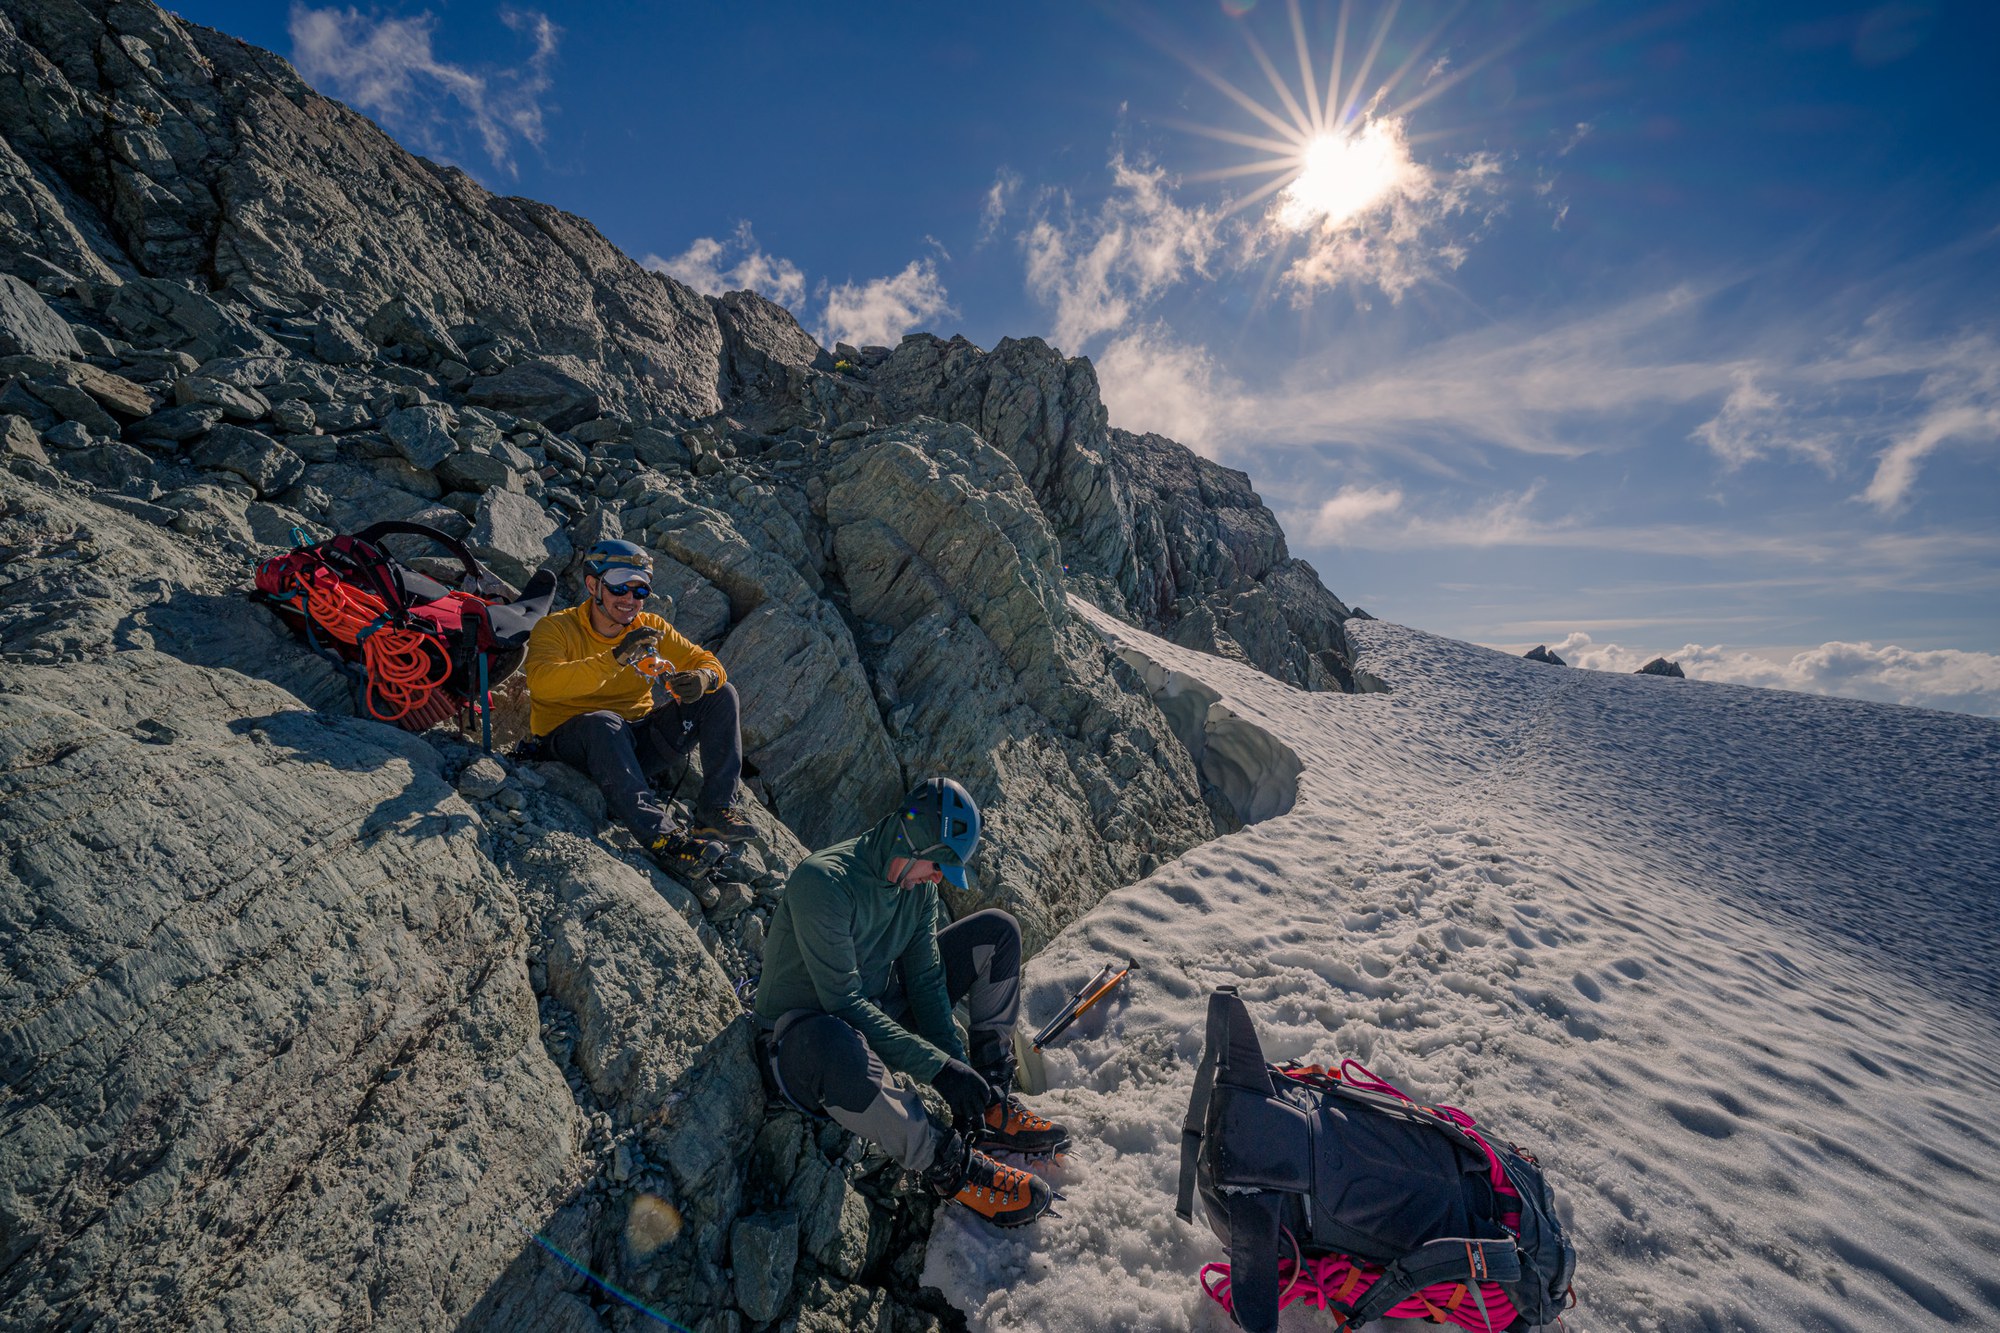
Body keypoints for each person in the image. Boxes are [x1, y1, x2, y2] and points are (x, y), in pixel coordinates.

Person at [754, 778, 1068, 1227]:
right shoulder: (823, 882)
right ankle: (953, 1168)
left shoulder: (917, 889)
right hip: (803, 1041)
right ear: (909, 840)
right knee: (835, 1041)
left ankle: (990, 1101)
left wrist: (960, 1072)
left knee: (997, 932)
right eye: (937, 864)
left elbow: (925, 982)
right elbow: (842, 1002)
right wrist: (937, 1068)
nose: (939, 878)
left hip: (875, 1010)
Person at [524, 539, 756, 851]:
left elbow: (709, 663)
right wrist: (614, 659)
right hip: (570, 745)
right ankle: (663, 838)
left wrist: (704, 677)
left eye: (641, 590)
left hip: (632, 746)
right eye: (620, 587)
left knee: (720, 694)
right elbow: (543, 684)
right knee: (604, 723)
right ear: (593, 585)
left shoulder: (651, 628)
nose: (630, 599)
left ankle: (715, 811)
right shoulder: (555, 629)